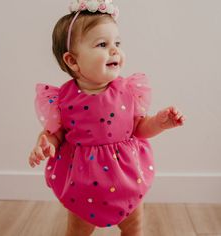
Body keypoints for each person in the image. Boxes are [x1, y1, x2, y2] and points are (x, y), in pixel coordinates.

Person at [28, 0, 186, 235]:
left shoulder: (128, 90)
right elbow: (56, 135)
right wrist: (45, 144)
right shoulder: (63, 98)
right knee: (78, 230)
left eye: (117, 43)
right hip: (83, 182)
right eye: (102, 44)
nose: (115, 50)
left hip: (127, 179)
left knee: (133, 227)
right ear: (72, 60)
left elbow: (139, 129)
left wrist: (159, 123)